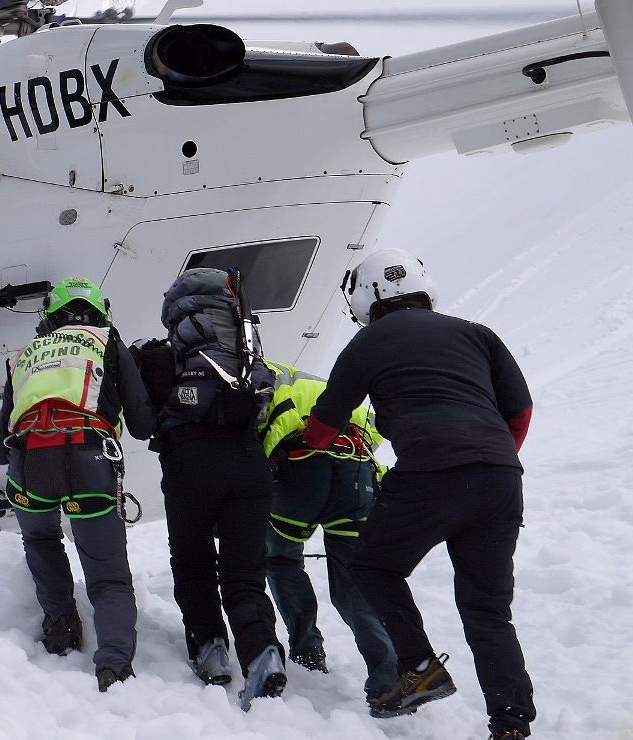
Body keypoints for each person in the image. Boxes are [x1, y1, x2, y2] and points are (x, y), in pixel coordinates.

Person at [303, 248, 535, 739]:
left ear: (367, 297)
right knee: (488, 611)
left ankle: (421, 667)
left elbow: (324, 428)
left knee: (371, 566)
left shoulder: (368, 343)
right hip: (499, 477)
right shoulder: (478, 334)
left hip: (429, 470)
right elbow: (520, 411)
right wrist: (487, 458)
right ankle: (511, 724)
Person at [0, 276, 154, 692]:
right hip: (89, 459)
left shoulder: (23, 356)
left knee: (41, 540)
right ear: (102, 314)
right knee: (108, 573)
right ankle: (114, 666)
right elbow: (143, 423)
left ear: (50, 316)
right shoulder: (107, 343)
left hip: (28, 462)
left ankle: (61, 628)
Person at [140, 267, 286, 710]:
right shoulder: (246, 346)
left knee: (193, 564)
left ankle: (211, 650)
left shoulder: (162, 356)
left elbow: (145, 422)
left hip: (191, 466)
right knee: (245, 574)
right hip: (249, 464)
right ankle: (263, 654)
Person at [258, 358, 398, 702]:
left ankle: (308, 650)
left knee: (282, 561)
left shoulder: (257, 372)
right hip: (356, 472)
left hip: (299, 472)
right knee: (353, 582)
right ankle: (388, 675)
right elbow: (372, 429)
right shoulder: (311, 378)